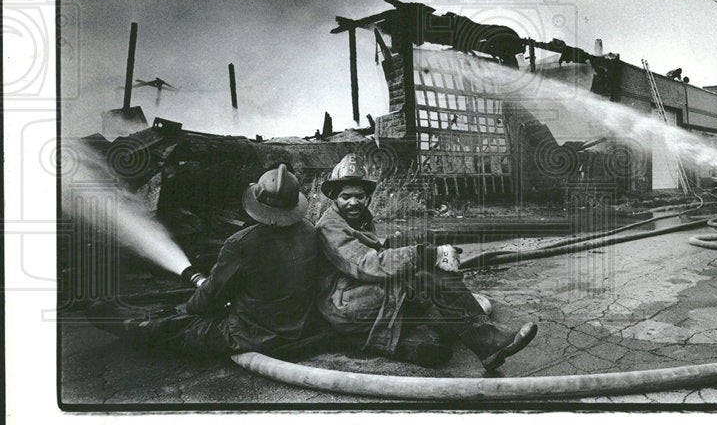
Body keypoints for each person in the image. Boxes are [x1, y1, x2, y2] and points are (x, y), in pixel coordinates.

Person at [315, 154, 538, 370]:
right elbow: (366, 264)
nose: (353, 202)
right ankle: (487, 341)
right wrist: (427, 255)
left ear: (367, 197)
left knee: (428, 291)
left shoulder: (359, 220)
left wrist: (421, 252)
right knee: (424, 276)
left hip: (362, 292)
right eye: (346, 197)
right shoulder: (331, 226)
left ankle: (478, 339)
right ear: (335, 197)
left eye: (359, 196)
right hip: (344, 305)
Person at [119, 164, 325, 357]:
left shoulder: (240, 243)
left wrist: (191, 307)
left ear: (257, 202)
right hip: (302, 327)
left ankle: (120, 323)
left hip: (254, 334)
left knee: (170, 329)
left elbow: (206, 301)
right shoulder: (310, 230)